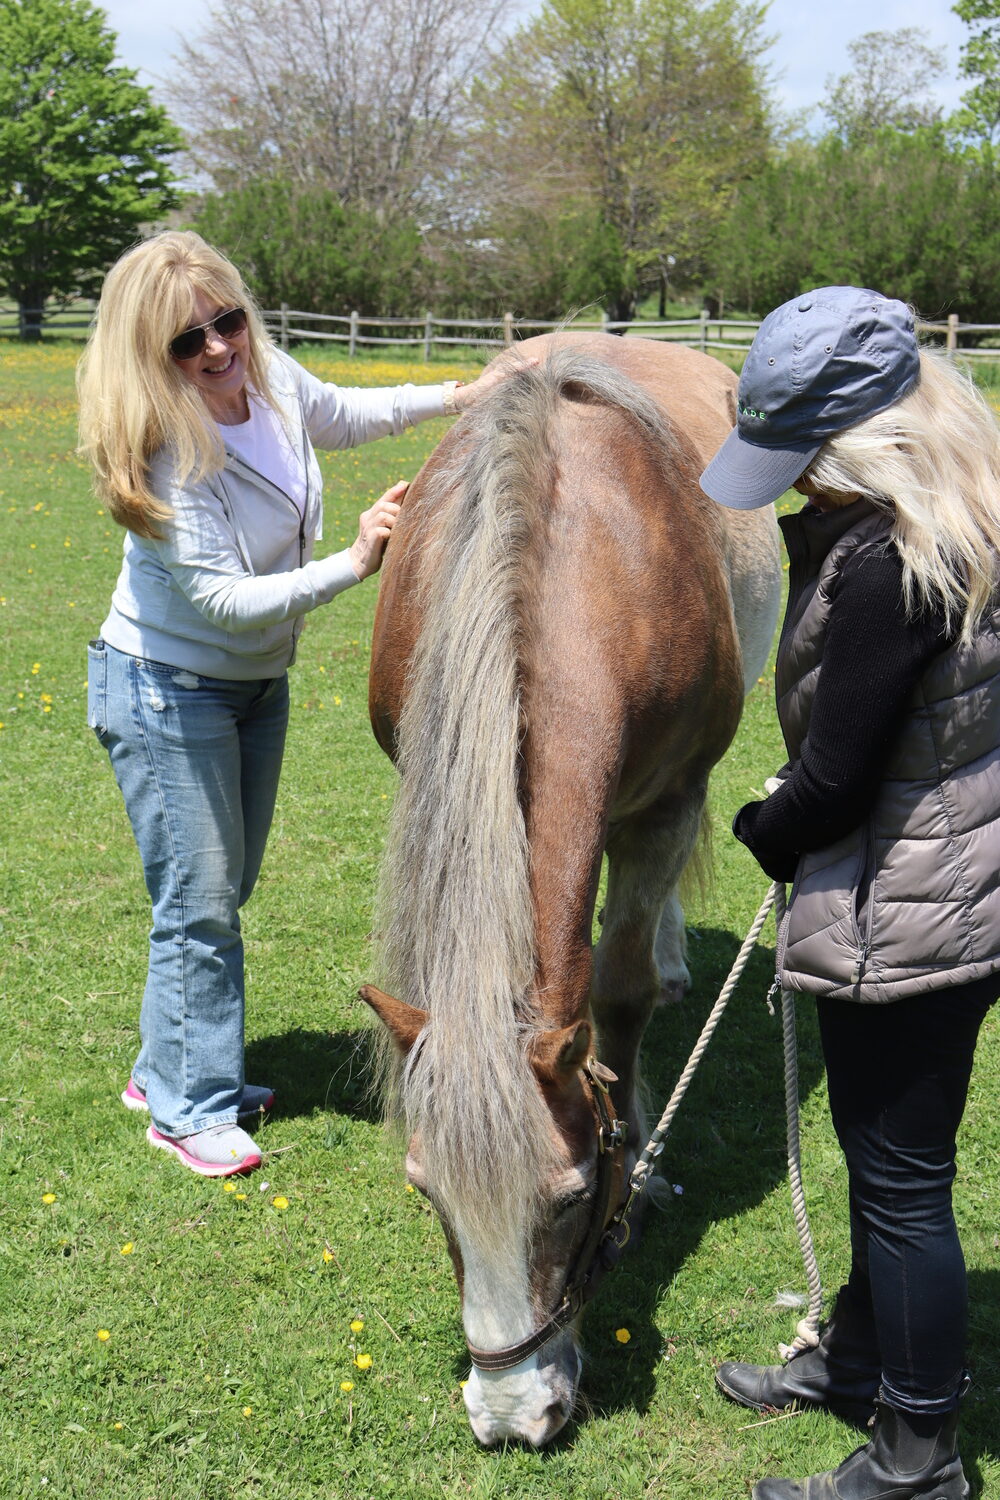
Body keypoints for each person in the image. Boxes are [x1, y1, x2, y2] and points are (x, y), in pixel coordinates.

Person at [78, 230, 518, 1179]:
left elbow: (341, 410)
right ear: (149, 359)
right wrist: (356, 562)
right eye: (186, 343)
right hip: (166, 688)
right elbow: (224, 604)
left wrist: (457, 398)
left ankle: (166, 1068)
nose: (218, 351)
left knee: (216, 894)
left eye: (226, 321)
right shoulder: (162, 455)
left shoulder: (264, 376)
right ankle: (190, 1109)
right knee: (199, 904)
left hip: (248, 687)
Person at [699, 285, 1000, 1500]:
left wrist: (760, 825)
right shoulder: (960, 514)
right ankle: (861, 1358)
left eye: (803, 463)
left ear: (863, 443)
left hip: (906, 911)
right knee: (896, 1163)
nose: (793, 488)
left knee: (901, 1182)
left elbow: (829, 785)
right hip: (962, 883)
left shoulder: (887, 564)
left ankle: (917, 1456)